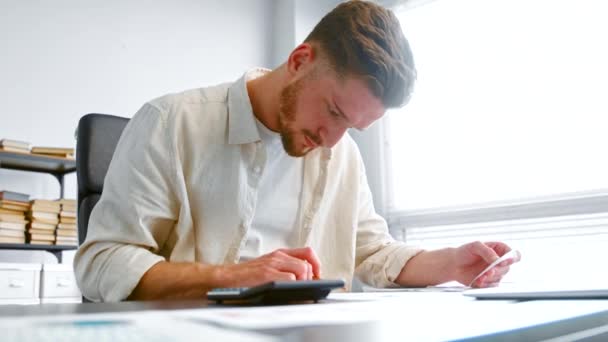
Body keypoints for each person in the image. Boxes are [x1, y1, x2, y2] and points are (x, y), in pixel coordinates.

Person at [74, 0, 519, 302]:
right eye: (333, 111)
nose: (332, 138)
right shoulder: (172, 123)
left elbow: (373, 253)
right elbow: (101, 264)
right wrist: (233, 277)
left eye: (353, 126)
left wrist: (451, 264)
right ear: (300, 59)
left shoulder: (340, 153)